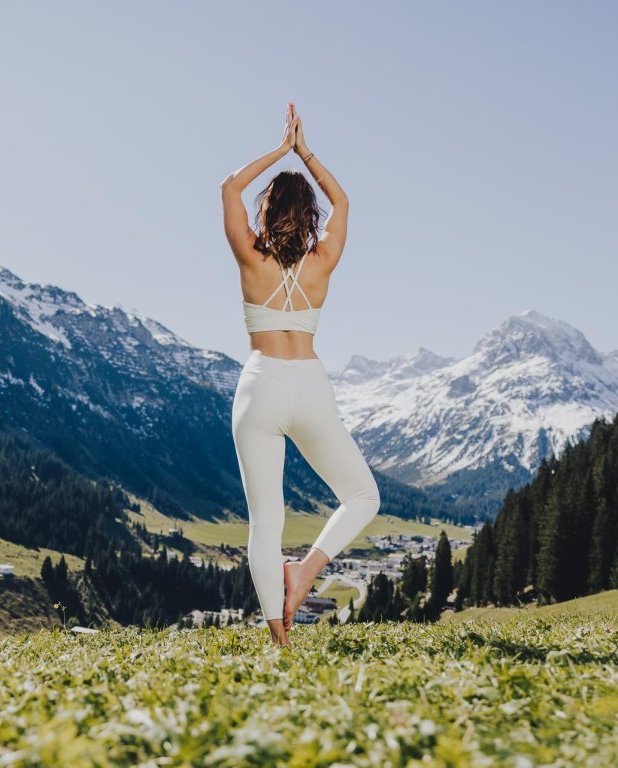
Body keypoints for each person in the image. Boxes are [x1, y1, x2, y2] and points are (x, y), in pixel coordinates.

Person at [220, 102, 381, 648]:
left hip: (260, 383)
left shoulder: (249, 257)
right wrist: (305, 152)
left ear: (267, 210)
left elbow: (228, 187)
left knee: (266, 520)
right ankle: (306, 571)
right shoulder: (323, 261)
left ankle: (280, 642)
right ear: (309, 212)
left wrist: (279, 151)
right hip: (310, 384)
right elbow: (343, 200)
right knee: (361, 496)